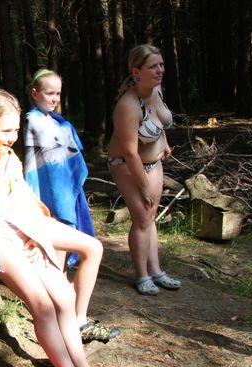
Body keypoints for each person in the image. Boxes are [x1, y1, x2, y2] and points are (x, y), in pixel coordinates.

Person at [0, 89, 122, 367]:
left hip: (21, 231)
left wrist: (34, 235)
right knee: (43, 305)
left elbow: (22, 198)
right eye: (6, 131)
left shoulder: (8, 157)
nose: (12, 137)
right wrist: (16, 246)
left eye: (16, 130)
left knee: (64, 297)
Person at [24, 69, 119, 343]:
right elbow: (42, 163)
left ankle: (71, 317)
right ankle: (67, 319)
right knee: (56, 258)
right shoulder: (34, 121)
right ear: (35, 93)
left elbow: (67, 155)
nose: (54, 99)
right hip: (49, 196)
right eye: (49, 93)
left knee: (65, 254)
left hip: (64, 192)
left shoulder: (56, 122)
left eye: (58, 94)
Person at [107, 44, 182, 295]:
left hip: (153, 163)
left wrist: (164, 143)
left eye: (161, 64)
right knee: (141, 218)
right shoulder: (128, 106)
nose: (160, 70)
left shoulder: (156, 90)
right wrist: (143, 185)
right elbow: (129, 152)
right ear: (137, 72)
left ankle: (156, 270)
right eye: (153, 66)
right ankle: (142, 275)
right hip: (126, 165)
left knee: (150, 216)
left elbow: (159, 121)